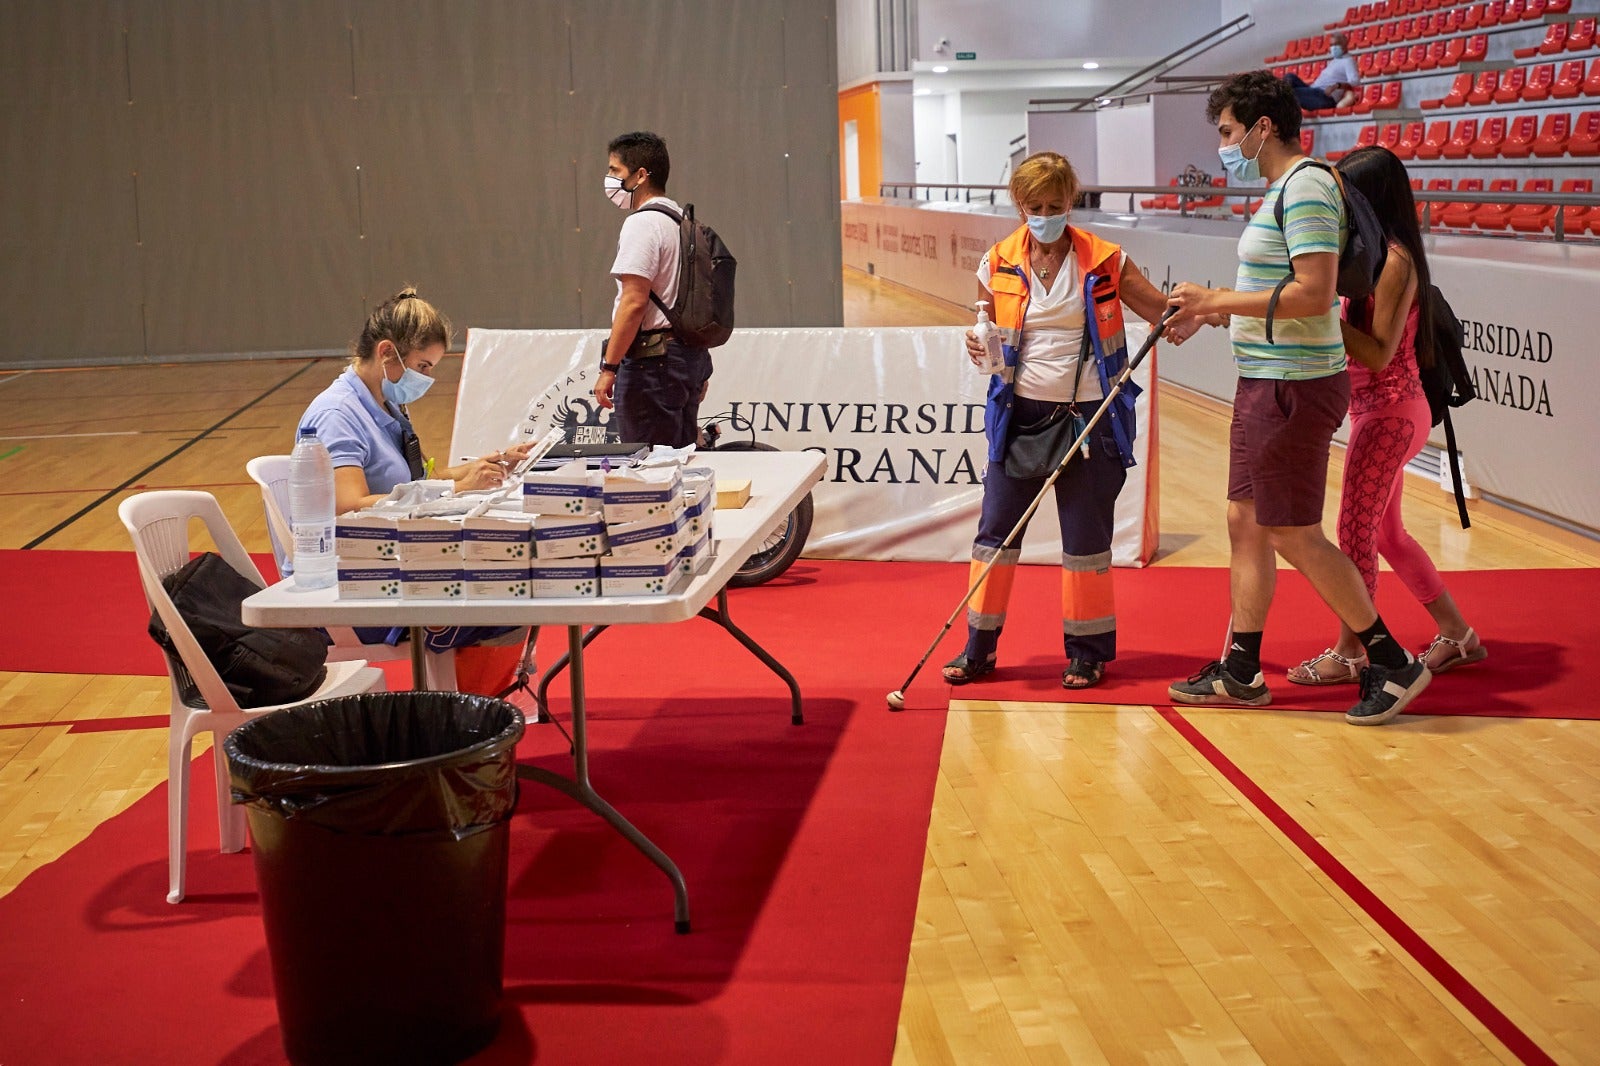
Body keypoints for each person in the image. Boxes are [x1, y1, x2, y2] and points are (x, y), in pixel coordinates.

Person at [1164, 71, 1431, 726]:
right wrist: (1219, 315)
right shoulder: (1283, 191)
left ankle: (1390, 660)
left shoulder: (1308, 186)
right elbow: (1285, 296)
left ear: (1263, 127)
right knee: (1245, 522)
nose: (1223, 145)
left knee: (1292, 531)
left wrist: (1217, 299)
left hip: (1293, 385)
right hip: (1263, 378)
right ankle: (1242, 668)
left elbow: (1314, 295)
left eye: (1227, 132)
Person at [941, 151, 1199, 691]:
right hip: (1019, 418)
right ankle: (978, 648)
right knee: (995, 537)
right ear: (1018, 205)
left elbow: (1160, 312)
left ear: (1070, 203)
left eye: (1055, 205)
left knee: (1087, 544)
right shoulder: (996, 262)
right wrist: (976, 345)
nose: (1044, 214)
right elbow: (986, 334)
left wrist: (1202, 309)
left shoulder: (1105, 259)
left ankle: (1087, 654)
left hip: (1091, 418)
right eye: (1033, 205)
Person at [1286, 145, 1484, 685]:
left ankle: (1351, 651)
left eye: (1348, 195)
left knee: (1353, 533)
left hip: (1392, 415)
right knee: (1387, 534)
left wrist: (1319, 307)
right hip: (1376, 412)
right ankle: (1459, 634)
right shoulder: (1369, 254)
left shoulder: (1395, 262)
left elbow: (1375, 352)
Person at [297, 287, 535, 692]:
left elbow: (413, 483)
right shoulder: (338, 415)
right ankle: (464, 720)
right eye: (422, 366)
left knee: (510, 584)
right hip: (352, 587)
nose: (427, 379)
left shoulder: (383, 406)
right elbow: (350, 507)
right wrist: (451, 493)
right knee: (505, 603)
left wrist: (481, 468)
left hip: (388, 566)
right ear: (387, 352)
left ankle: (469, 709)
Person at [592, 130, 712, 447]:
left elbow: (633, 303)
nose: (608, 179)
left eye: (614, 170)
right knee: (680, 463)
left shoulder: (642, 223)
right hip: (689, 358)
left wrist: (609, 367)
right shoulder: (684, 222)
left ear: (641, 175)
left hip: (653, 363)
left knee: (647, 472)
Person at [1282, 33, 1360, 111]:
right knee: (1290, 77)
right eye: (1331, 45)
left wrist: (1336, 86)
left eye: (1336, 44)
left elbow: (1355, 81)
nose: (1333, 47)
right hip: (1314, 91)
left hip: (1325, 97)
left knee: (1292, 93)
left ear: (1344, 44)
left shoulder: (1348, 61)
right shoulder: (1335, 60)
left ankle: (1278, 106)